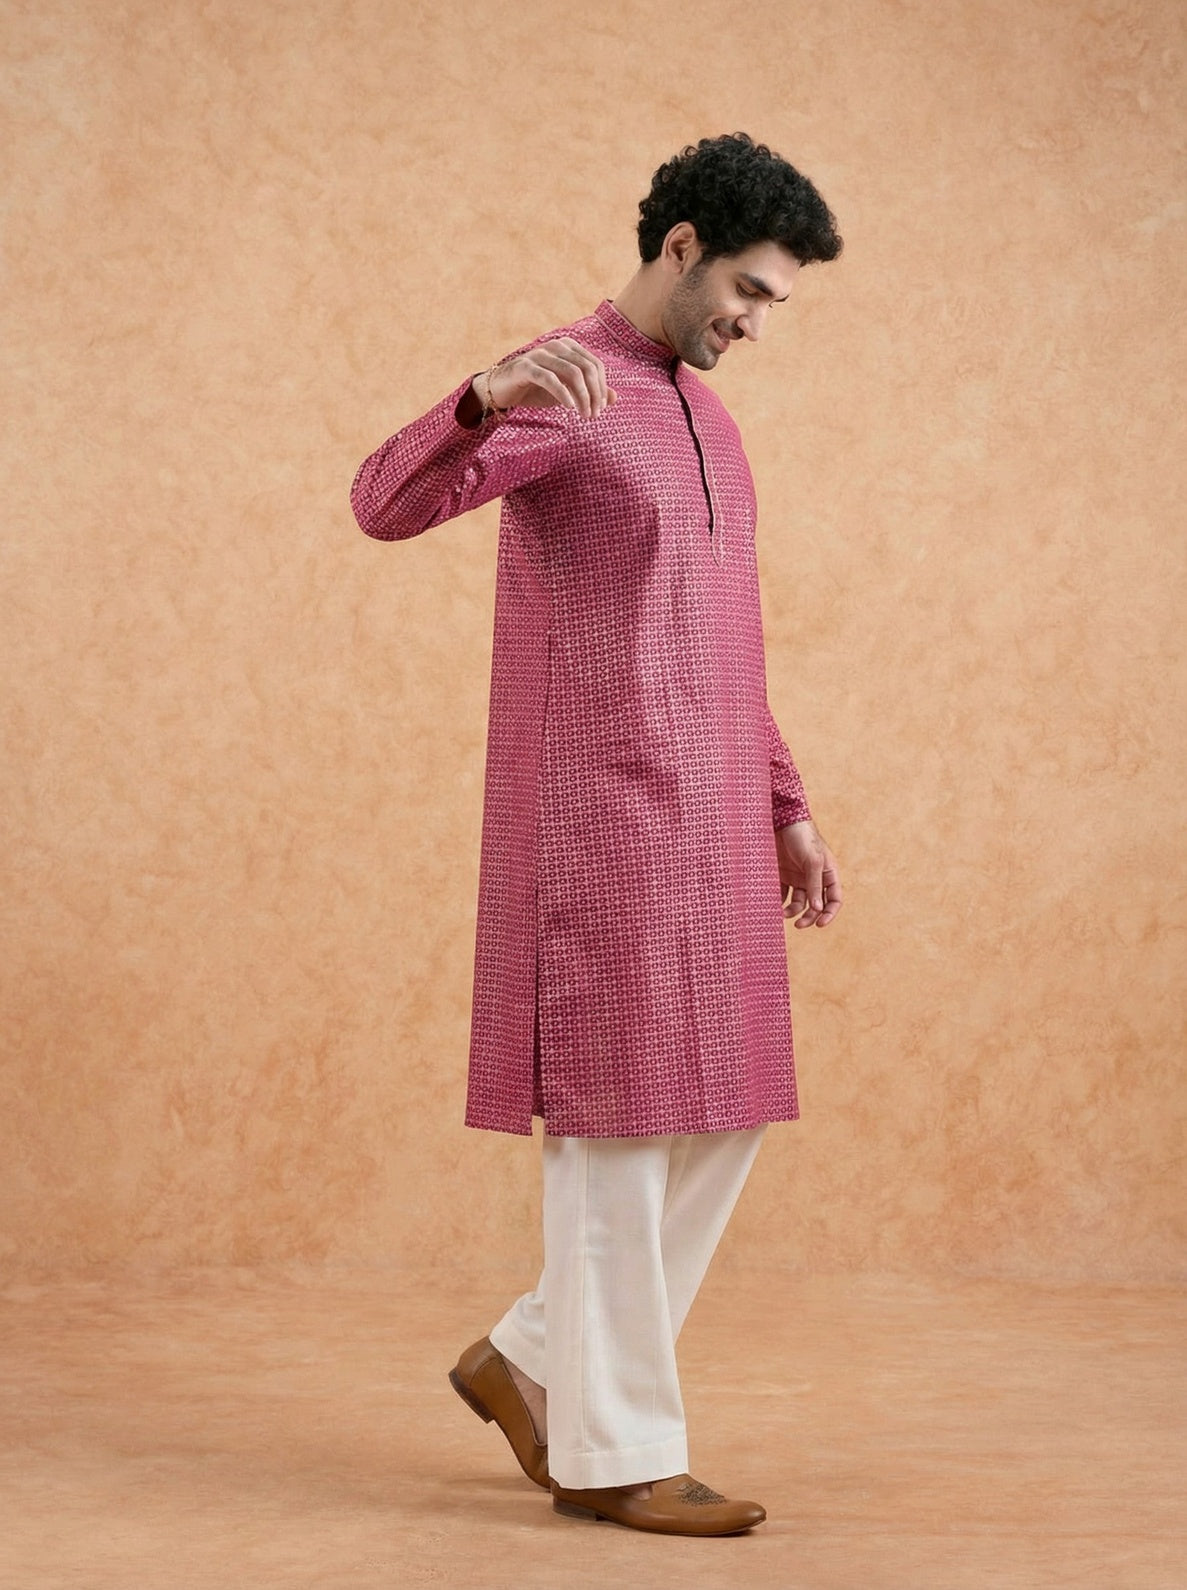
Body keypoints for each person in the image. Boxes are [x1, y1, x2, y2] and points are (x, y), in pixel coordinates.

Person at [350, 132, 844, 1537]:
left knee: (729, 1108)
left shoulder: (713, 427)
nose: (755, 324)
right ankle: (615, 1450)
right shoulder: (563, 387)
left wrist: (785, 802)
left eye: (775, 303)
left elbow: (727, 641)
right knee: (615, 1131)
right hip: (599, 822)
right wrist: (477, 399)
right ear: (682, 246)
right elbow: (383, 504)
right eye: (747, 291)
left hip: (712, 825)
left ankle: (531, 1357)